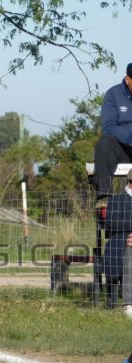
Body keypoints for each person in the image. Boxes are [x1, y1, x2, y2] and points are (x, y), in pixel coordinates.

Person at [94, 63, 132, 212]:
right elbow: (108, 127)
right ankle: (104, 197)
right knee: (104, 144)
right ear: (127, 79)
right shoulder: (113, 95)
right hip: (122, 149)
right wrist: (129, 139)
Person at [103, 169, 132, 312]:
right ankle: (127, 305)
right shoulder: (116, 200)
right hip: (121, 243)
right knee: (123, 253)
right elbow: (111, 224)